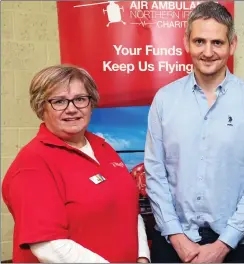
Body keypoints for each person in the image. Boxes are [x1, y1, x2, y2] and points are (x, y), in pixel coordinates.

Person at [144, 1, 244, 263]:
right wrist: (177, 237)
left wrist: (223, 245)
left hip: (234, 246)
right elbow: (155, 173)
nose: (208, 52)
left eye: (217, 42)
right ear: (186, 42)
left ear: (232, 44)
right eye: (199, 41)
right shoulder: (164, 100)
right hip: (172, 243)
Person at [2, 65, 150, 263]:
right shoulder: (32, 164)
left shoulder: (103, 147)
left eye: (80, 99)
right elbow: (49, 246)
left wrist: (142, 257)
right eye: (59, 101)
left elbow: (129, 211)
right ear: (41, 107)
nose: (71, 109)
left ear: (91, 103)